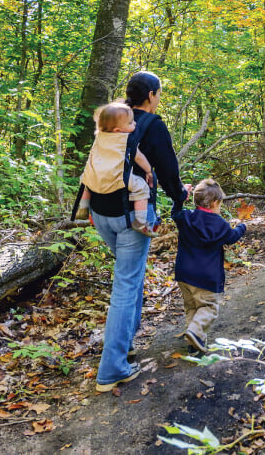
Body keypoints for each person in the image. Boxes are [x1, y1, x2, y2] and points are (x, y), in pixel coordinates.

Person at [90, 71, 190, 392]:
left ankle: (125, 345)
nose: (159, 98)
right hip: (131, 212)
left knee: (128, 277)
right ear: (150, 95)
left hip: (100, 210)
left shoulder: (113, 119)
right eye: (158, 93)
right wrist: (180, 196)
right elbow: (168, 170)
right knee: (127, 283)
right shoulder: (152, 125)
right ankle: (112, 369)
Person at [173, 179, 246, 353]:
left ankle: (194, 344)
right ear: (214, 203)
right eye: (220, 203)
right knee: (208, 307)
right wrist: (242, 227)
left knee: (192, 307)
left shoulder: (186, 217)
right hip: (205, 276)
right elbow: (232, 236)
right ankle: (195, 332)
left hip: (184, 274)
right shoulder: (218, 223)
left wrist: (180, 197)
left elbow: (175, 212)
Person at [76, 102, 157, 237]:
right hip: (116, 178)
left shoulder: (99, 136)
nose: (135, 124)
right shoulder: (126, 140)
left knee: (84, 181)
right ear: (117, 130)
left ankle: (83, 208)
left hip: (96, 176)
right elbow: (139, 158)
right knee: (141, 187)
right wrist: (149, 171)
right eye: (131, 123)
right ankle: (140, 221)